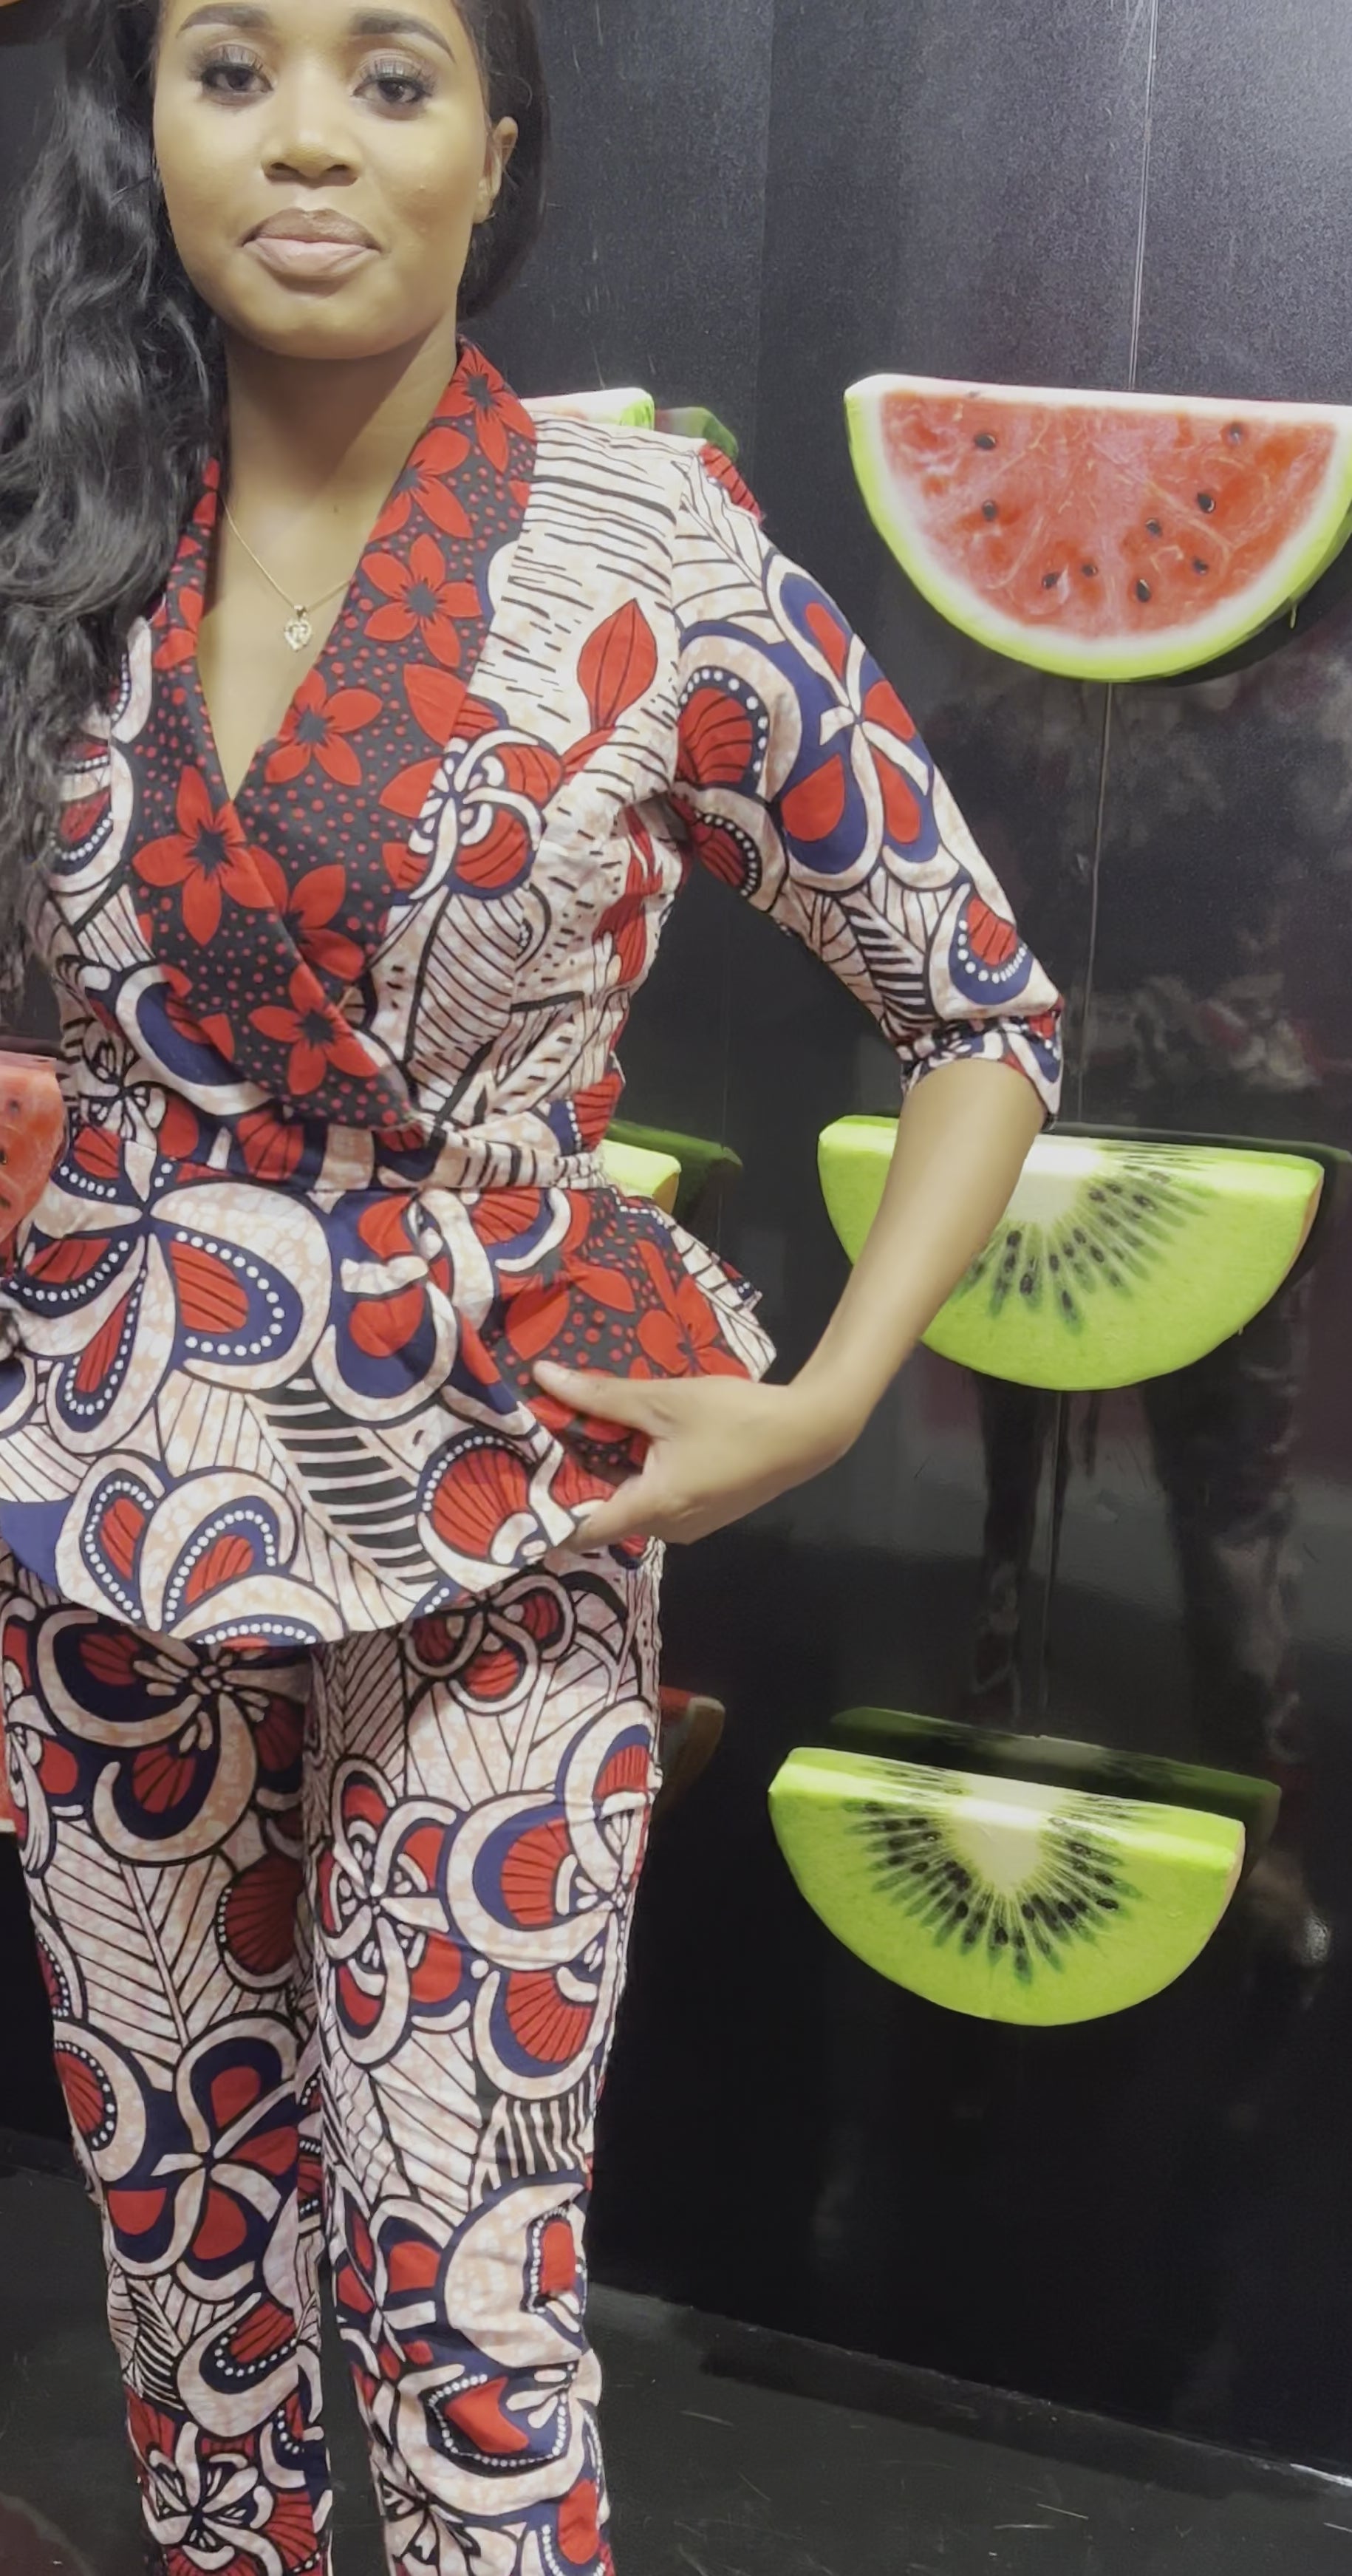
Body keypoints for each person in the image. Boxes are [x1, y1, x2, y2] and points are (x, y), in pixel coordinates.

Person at [0, 0, 1064, 2566]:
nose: (308, 143)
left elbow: (981, 1008)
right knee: (184, 2261)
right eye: (230, 69)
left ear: (498, 147)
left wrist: (830, 1398)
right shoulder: (56, 517)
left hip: (509, 1493)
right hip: (104, 1488)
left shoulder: (647, 544)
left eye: (391, 75)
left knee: (462, 2285)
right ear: (145, 131)